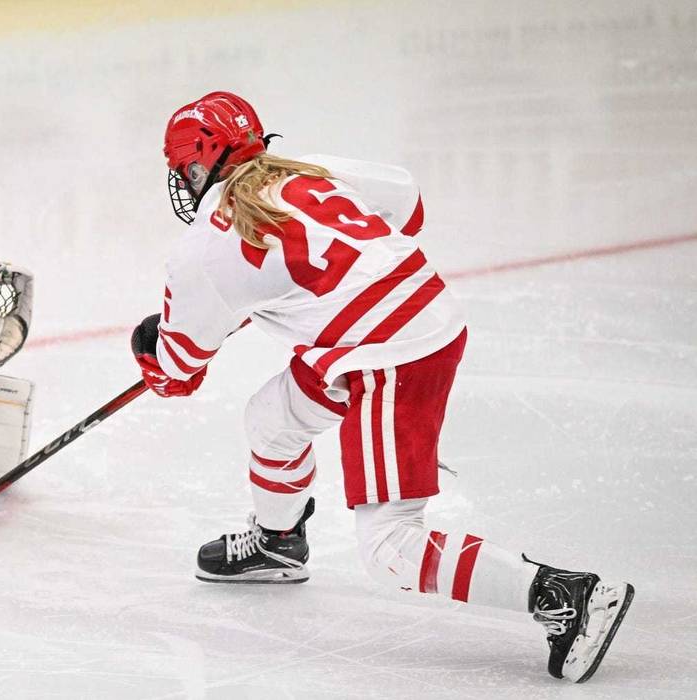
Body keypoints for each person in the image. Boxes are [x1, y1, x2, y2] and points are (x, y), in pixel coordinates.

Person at [130, 91, 633, 683]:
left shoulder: (202, 252)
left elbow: (176, 374)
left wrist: (149, 342)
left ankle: (566, 597)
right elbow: (409, 207)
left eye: (180, 170)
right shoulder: (310, 171)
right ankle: (278, 541)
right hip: (404, 320)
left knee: (390, 547)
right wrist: (305, 286)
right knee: (272, 418)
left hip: (389, 356)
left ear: (195, 165)